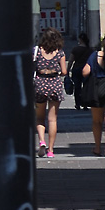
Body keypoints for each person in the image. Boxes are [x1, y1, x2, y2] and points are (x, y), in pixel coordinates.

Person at [33, 28, 67, 158]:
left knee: (39, 117)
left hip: (40, 85)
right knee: (52, 119)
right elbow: (64, 71)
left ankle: (42, 141)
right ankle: (51, 150)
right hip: (54, 85)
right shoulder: (60, 53)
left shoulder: (37, 52)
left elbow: (33, 67)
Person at [69, 32, 93, 110]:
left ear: (80, 40)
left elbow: (71, 60)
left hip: (76, 69)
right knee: (86, 87)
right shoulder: (90, 50)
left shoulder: (75, 49)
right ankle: (85, 104)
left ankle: (78, 103)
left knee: (77, 87)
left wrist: (67, 70)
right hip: (86, 69)